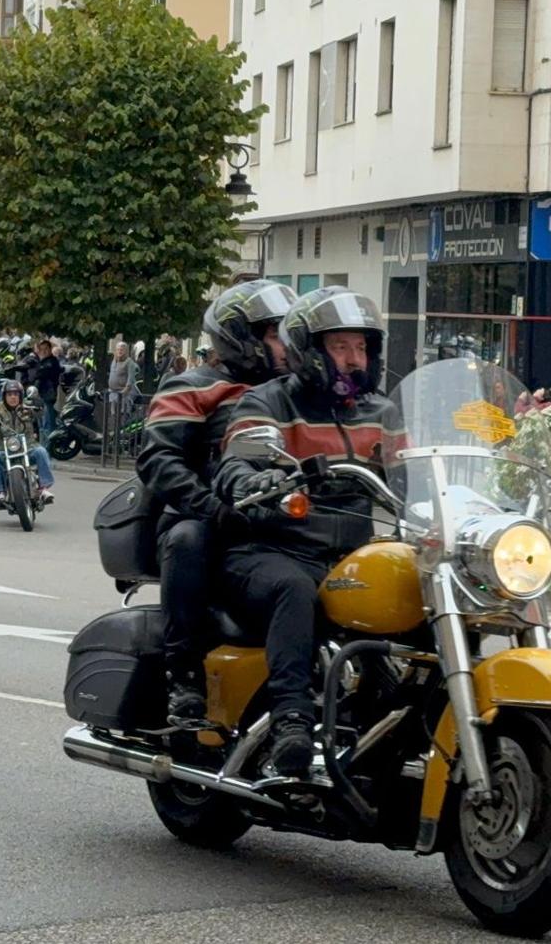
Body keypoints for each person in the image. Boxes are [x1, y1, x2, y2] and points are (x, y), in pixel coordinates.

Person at [214, 287, 396, 778]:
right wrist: (258, 477)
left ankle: (399, 705)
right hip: (272, 547)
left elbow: (418, 468)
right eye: (339, 347)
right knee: (295, 590)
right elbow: (238, 461)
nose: (353, 359)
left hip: (349, 553)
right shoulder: (268, 400)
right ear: (310, 351)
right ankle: (292, 719)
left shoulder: (381, 412)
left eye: (360, 347)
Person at [139, 280, 297, 724]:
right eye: (272, 334)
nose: (283, 345)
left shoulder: (293, 393)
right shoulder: (191, 386)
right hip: (206, 518)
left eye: (287, 333)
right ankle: (183, 675)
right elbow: (158, 461)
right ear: (240, 338)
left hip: (276, 518)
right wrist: (212, 506)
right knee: (190, 539)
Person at [0, 380, 54, 508]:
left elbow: (40, 413)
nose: (13, 397)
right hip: (5, 449)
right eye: (9, 394)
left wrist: (39, 405)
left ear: (20, 396)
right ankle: (1, 493)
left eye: (16, 394)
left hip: (28, 447)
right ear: (4, 396)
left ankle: (44, 488)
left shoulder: (27, 406)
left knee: (41, 452)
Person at [31, 339, 65, 437]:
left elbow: (42, 373)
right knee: (43, 424)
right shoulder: (42, 362)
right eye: (42, 349)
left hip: (50, 397)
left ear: (50, 349)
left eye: (46, 349)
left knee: (49, 423)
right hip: (42, 396)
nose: (44, 351)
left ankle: (49, 446)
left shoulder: (51, 362)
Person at [107, 342, 135, 423]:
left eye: (122, 350)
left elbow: (130, 381)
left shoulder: (130, 363)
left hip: (123, 395)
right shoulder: (114, 360)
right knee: (112, 419)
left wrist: (122, 394)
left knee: (122, 418)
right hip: (112, 394)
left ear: (126, 351)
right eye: (118, 350)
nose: (119, 351)